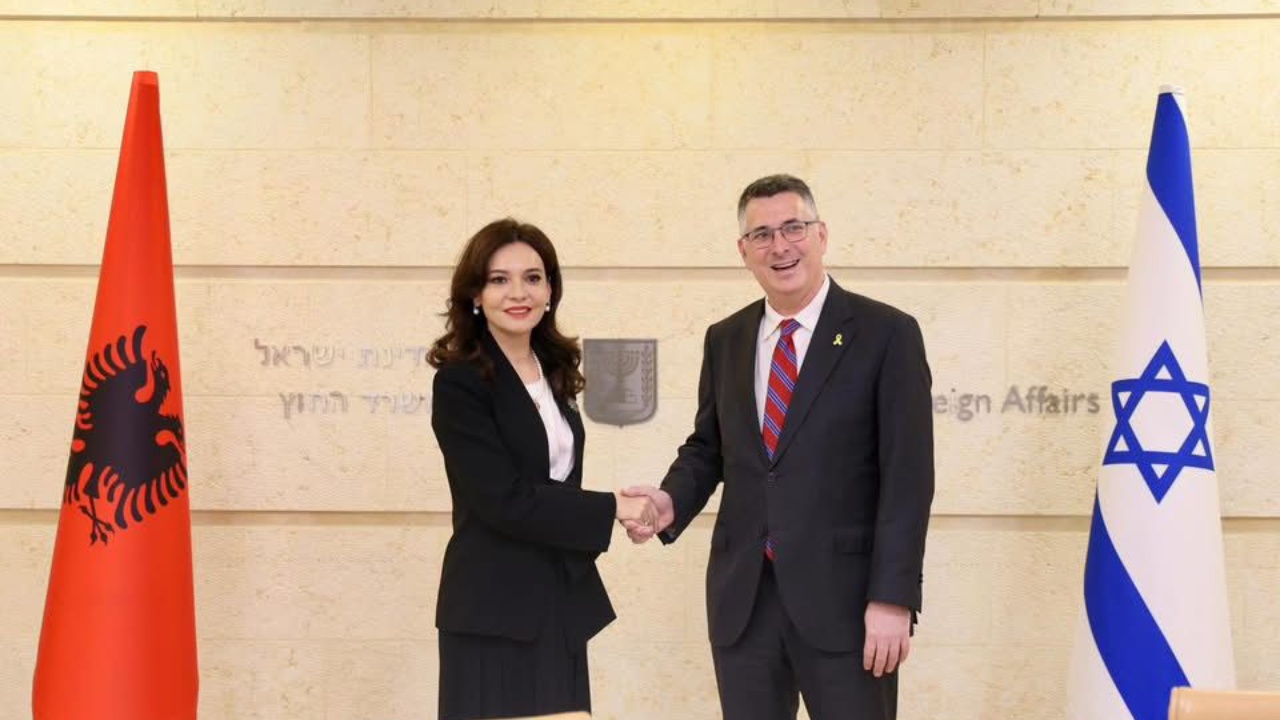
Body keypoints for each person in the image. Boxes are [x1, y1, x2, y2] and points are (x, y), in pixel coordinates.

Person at [624, 175, 935, 720]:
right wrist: (671, 500)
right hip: (745, 604)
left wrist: (893, 597)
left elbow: (908, 478)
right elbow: (709, 448)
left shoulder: (886, 333)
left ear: (821, 235)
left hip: (847, 606)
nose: (780, 246)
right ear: (743, 251)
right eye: (762, 235)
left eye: (794, 228)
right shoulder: (726, 338)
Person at [427, 218, 658, 720]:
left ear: (550, 290)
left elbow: (555, 485)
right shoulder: (460, 384)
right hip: (493, 611)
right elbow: (502, 500)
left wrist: (615, 513)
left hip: (558, 602)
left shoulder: (554, 372)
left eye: (533, 278)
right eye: (499, 279)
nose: (519, 293)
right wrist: (612, 508)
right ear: (475, 294)